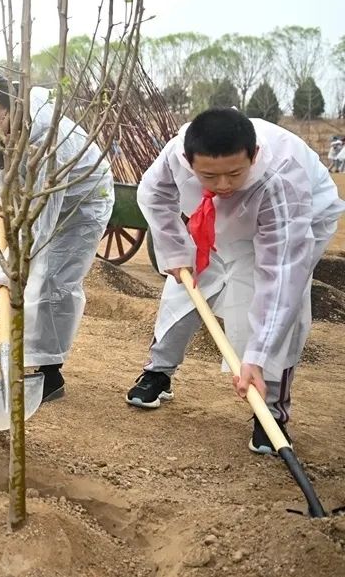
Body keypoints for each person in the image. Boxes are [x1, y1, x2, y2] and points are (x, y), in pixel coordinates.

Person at [125, 108, 345, 454]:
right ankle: (158, 372)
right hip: (214, 221)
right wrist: (174, 249)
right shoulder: (174, 155)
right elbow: (154, 195)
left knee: (268, 304)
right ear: (188, 161)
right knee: (185, 288)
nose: (223, 185)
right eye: (209, 176)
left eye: (234, 173)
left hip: (292, 224)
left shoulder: (282, 179)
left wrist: (256, 355)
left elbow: (280, 278)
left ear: (253, 155)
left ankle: (270, 412)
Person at [0, 74, 114, 401]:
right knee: (31, 274)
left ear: (11, 107)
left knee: (51, 280)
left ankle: (50, 372)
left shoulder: (45, 140)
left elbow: (43, 217)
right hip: (32, 199)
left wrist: (17, 265)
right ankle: (21, 348)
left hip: (81, 203)